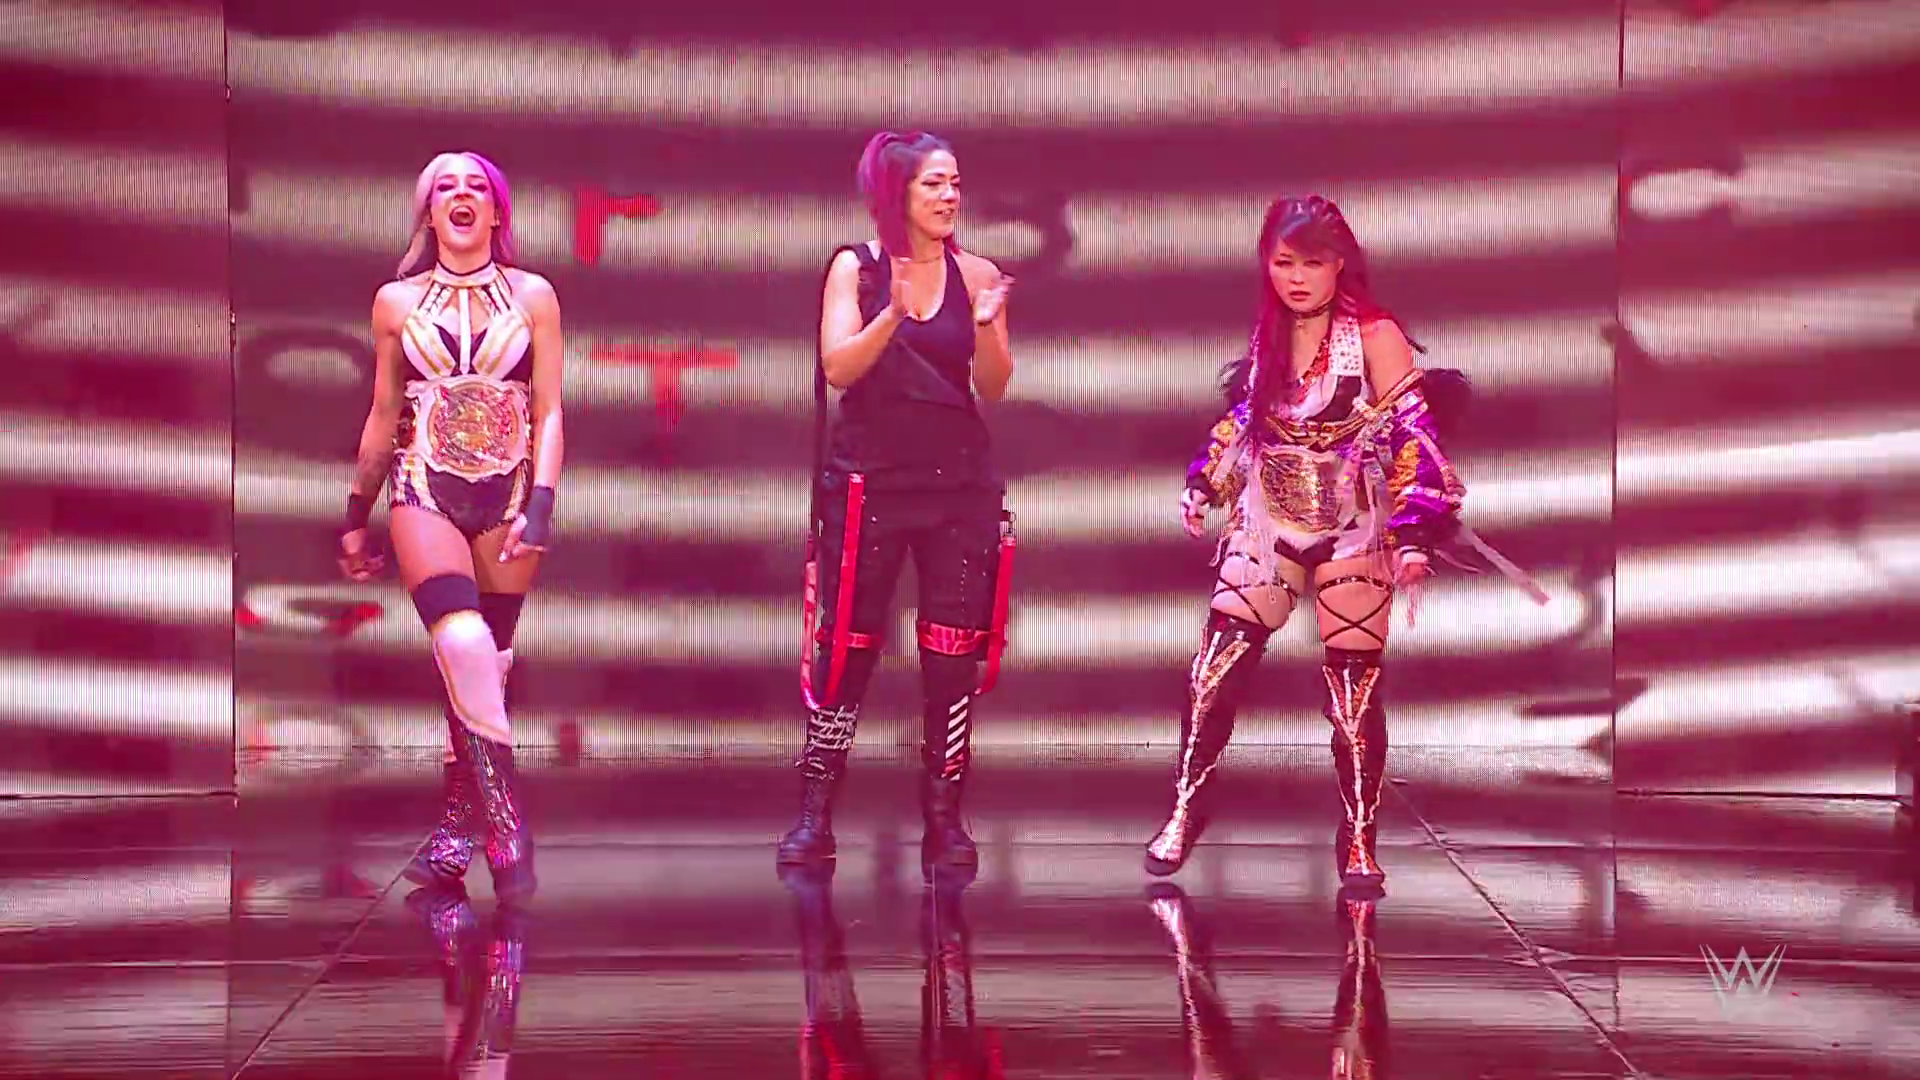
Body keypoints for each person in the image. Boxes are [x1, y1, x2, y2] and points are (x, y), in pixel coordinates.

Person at [1144, 195, 1466, 891]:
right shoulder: (1270, 332)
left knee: (1351, 699)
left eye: (1312, 263)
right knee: (1211, 675)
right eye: (1284, 262)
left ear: (1339, 262)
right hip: (1269, 519)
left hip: (1351, 525)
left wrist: (1415, 533)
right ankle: (1184, 810)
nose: (1296, 279)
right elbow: (1244, 419)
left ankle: (1359, 836)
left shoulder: (1374, 335)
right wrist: (1205, 483)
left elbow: (1415, 436)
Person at [776, 131, 1018, 870]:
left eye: (955, 183)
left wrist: (986, 329)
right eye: (933, 184)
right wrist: (892, 314)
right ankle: (815, 813)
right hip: (870, 484)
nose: (949, 197)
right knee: (847, 650)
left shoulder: (976, 272)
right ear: (897, 193)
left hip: (958, 488)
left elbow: (994, 386)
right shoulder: (856, 268)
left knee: (952, 656)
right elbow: (837, 367)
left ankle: (944, 818)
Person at [338, 150, 563, 905]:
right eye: (444, 188)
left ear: (496, 213)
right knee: (462, 644)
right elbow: (382, 413)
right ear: (429, 212)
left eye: (475, 188)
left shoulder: (534, 296)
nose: (460, 197)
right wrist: (355, 512)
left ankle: (456, 829)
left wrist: (543, 500)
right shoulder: (395, 303)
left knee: (485, 668)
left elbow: (550, 409)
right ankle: (507, 825)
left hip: (509, 492)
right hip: (422, 484)